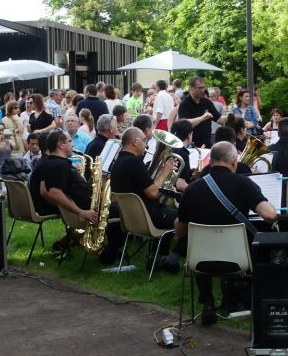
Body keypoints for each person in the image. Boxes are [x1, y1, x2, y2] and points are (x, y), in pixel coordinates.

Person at [176, 141, 278, 323]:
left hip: (200, 261)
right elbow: (270, 215)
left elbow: (180, 232)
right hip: (238, 260)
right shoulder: (244, 183)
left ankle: (207, 301)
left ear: (211, 161)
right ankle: (240, 297)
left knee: (203, 244)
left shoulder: (192, 189)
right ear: (233, 162)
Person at [110, 127, 178, 270]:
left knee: (169, 211)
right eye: (144, 140)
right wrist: (165, 172)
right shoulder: (134, 163)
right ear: (135, 142)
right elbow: (153, 193)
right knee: (185, 216)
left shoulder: (119, 162)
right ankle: (168, 258)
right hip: (149, 217)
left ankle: (157, 255)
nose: (146, 144)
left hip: (132, 220)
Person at [178, 76, 224, 148]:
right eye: (199, 88)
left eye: (203, 87)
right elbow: (185, 124)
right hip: (191, 145)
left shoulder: (206, 102)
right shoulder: (185, 104)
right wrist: (202, 118)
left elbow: (218, 119)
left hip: (206, 143)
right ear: (191, 88)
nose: (202, 90)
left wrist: (232, 118)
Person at [169, 119, 195, 192]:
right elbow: (180, 185)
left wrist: (189, 173)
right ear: (189, 134)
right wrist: (196, 191)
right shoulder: (183, 153)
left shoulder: (171, 149)